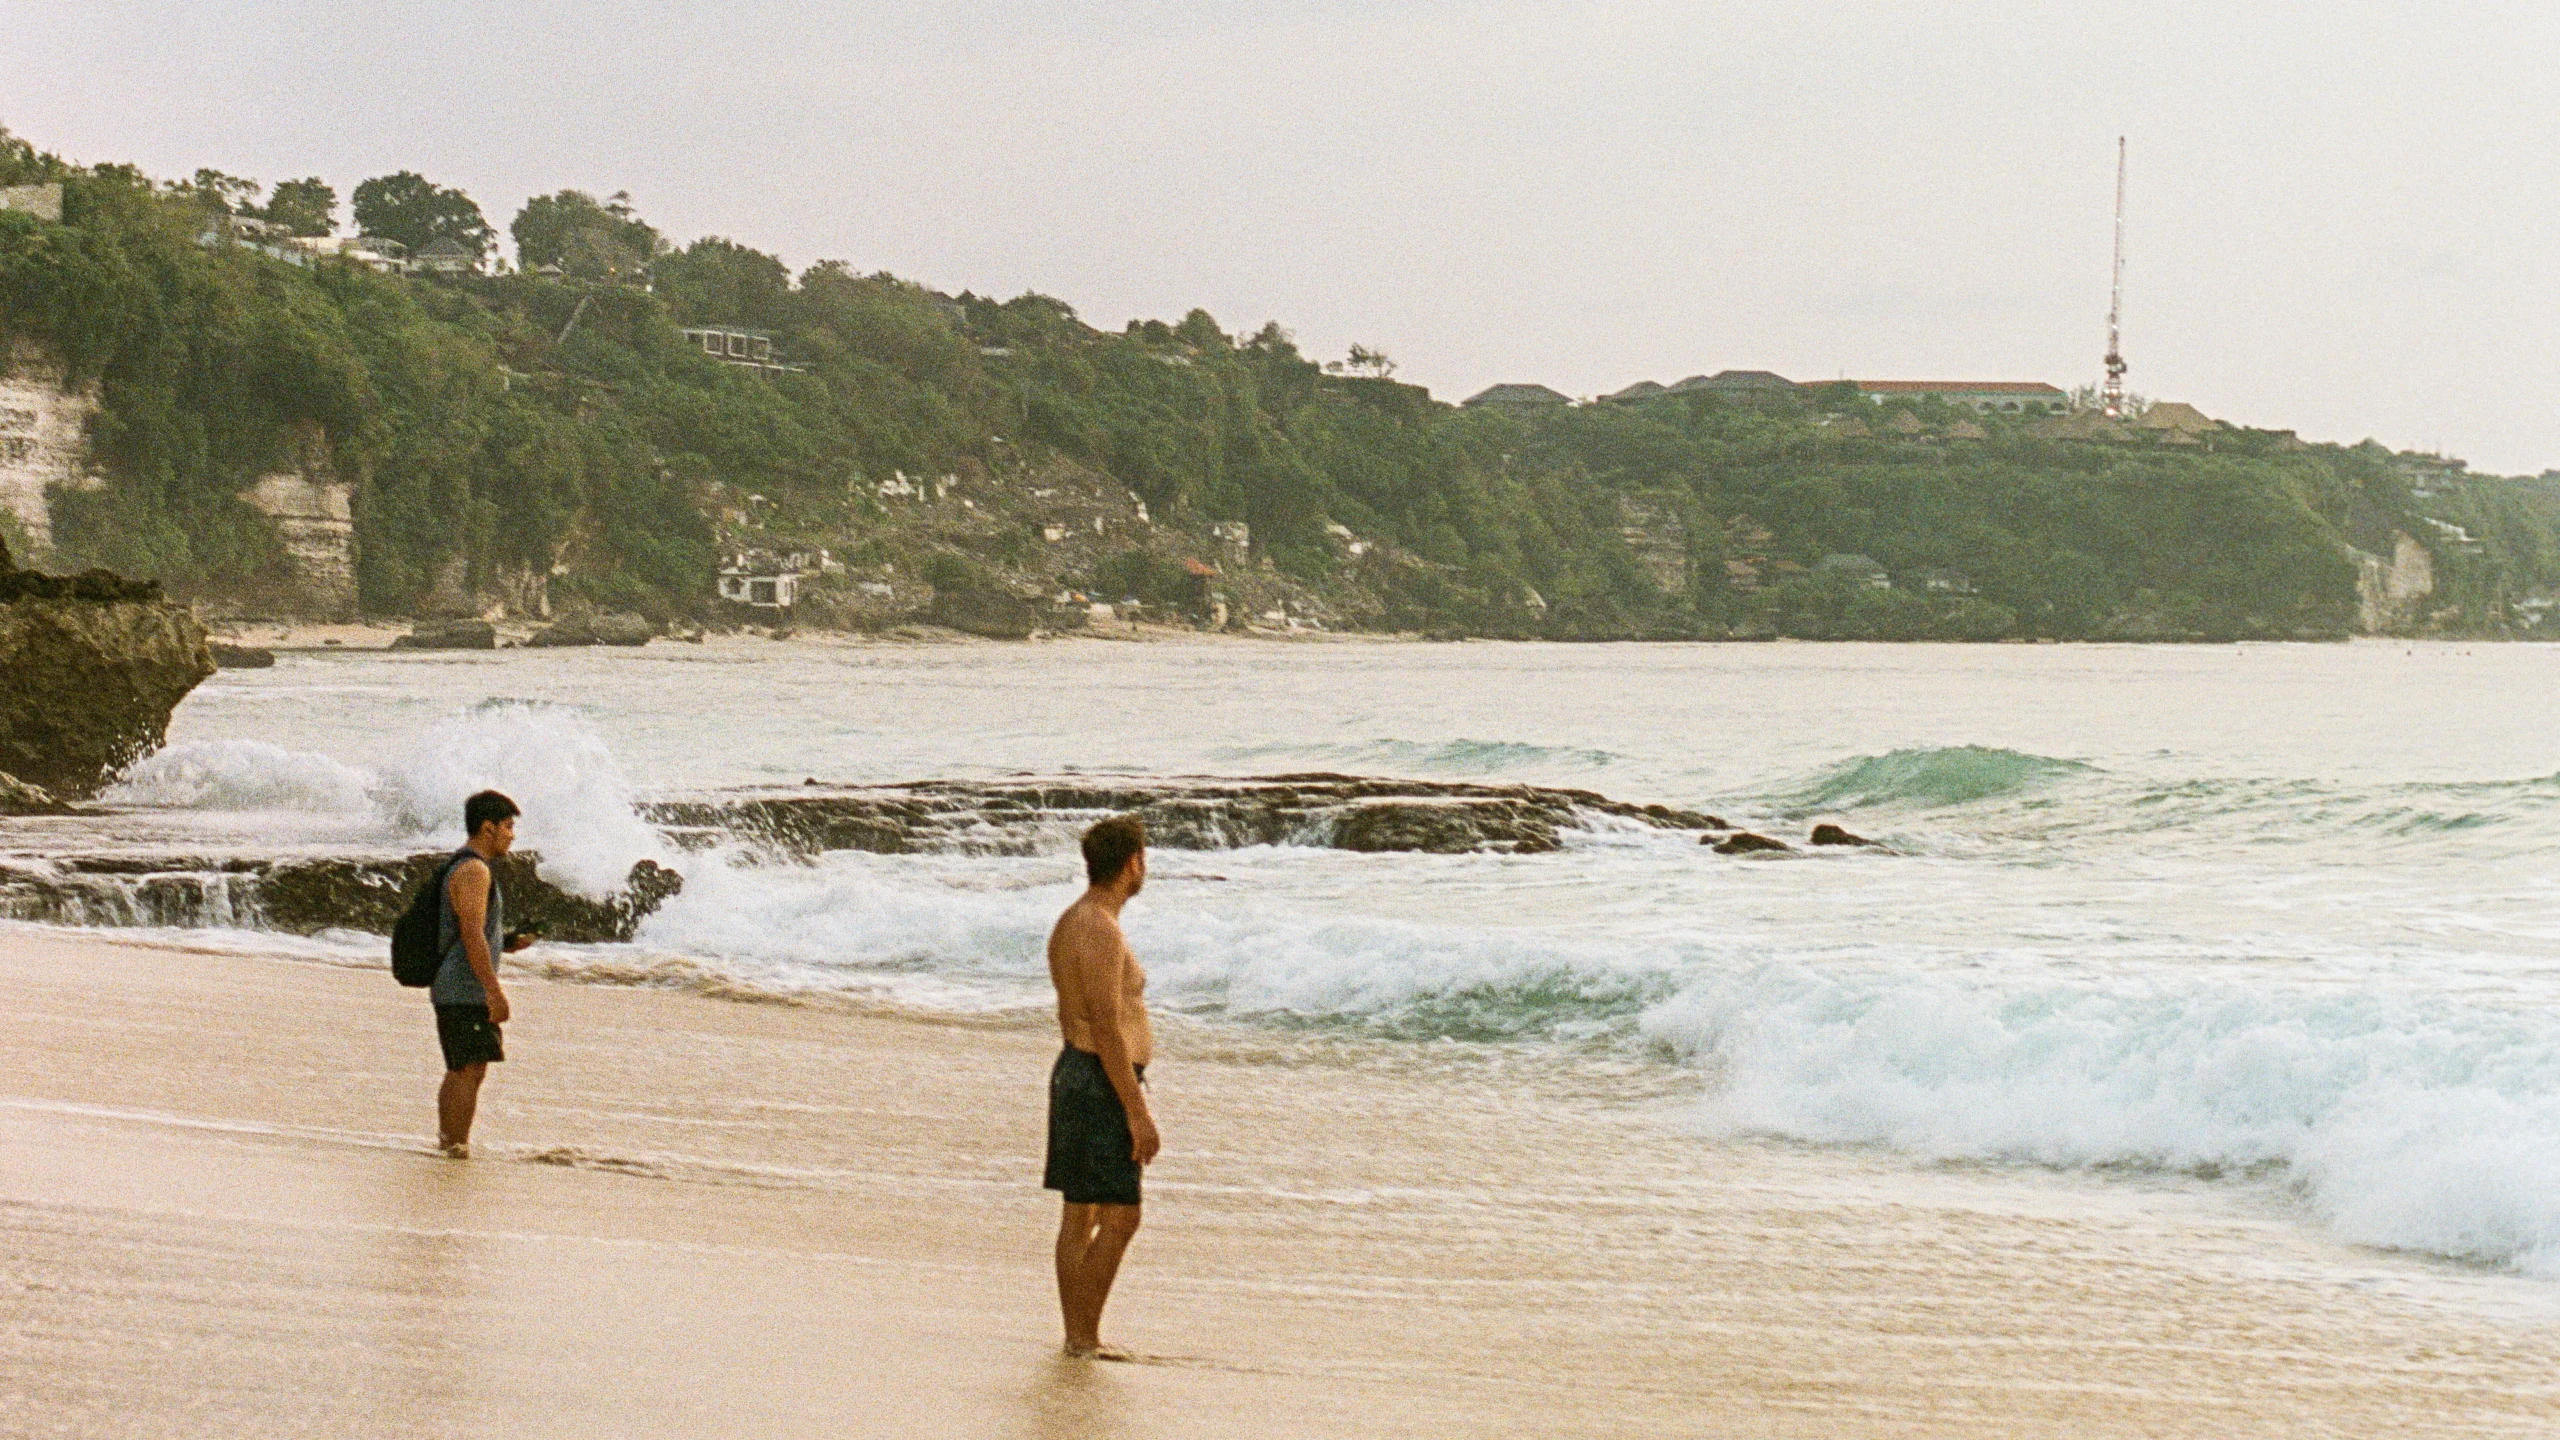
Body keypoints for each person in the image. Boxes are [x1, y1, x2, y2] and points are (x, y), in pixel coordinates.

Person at [1044, 815, 1160, 1358]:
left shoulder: (1084, 921)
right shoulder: (1096, 927)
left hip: (1085, 1076)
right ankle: (1082, 1337)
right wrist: (1136, 1111)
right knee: (1119, 1215)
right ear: (1132, 863)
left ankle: (1079, 1337)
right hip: (1097, 1080)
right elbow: (1107, 1026)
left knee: (1084, 1214)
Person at [434, 789, 534, 1158]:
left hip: (456, 984)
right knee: (467, 1069)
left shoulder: (462, 866)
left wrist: (505, 943)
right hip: (464, 987)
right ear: (487, 828)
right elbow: (471, 932)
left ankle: (450, 1143)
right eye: (508, 826)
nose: (512, 834)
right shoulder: (474, 869)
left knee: (465, 1067)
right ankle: (454, 1146)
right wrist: (493, 990)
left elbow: (474, 931)